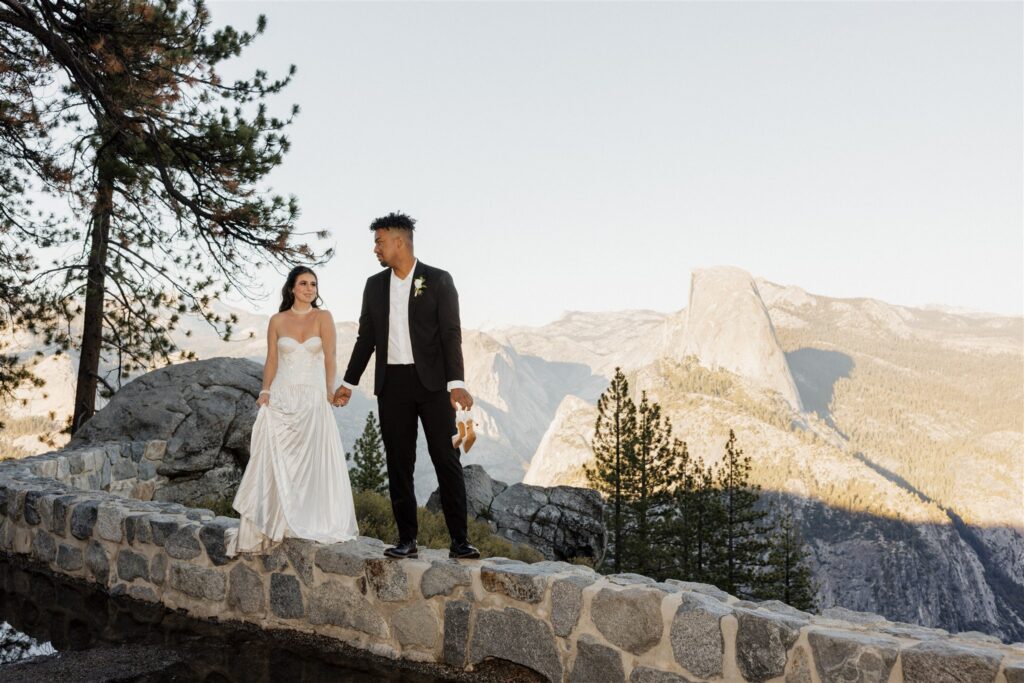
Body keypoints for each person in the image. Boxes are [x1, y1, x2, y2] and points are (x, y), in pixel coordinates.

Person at [333, 212, 479, 560]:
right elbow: (366, 338)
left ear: (399, 242)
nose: (375, 249)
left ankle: (460, 540)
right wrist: (349, 382)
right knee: (399, 462)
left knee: (446, 458)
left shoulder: (439, 280)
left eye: (379, 242)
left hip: (432, 386)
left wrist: (455, 383)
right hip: (392, 385)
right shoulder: (374, 285)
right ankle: (406, 540)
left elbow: (450, 334)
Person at [225, 266, 359, 556]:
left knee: (309, 462)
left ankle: (308, 521)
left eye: (313, 284)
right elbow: (272, 359)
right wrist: (265, 390)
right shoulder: (277, 320)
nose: (310, 288)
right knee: (278, 460)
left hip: (312, 398)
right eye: (303, 283)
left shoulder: (323, 317)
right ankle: (276, 522)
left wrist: (328, 390)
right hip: (283, 396)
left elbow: (331, 356)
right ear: (291, 288)